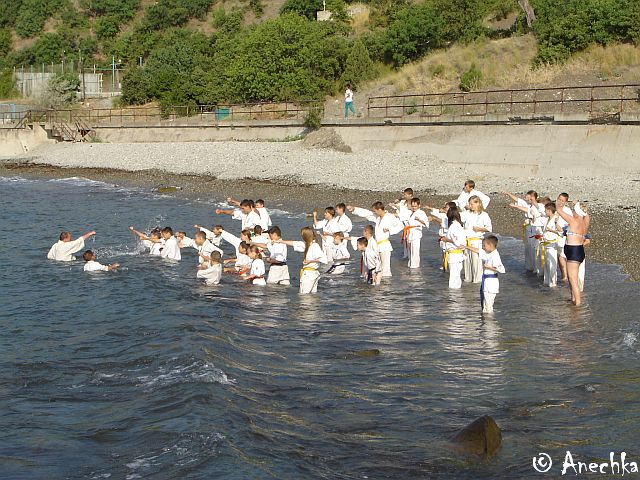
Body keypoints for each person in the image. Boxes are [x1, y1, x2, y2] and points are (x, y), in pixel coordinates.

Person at [349, 202, 403, 277]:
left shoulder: (390, 217)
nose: (374, 212)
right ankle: (379, 282)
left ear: (380, 209)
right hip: (378, 246)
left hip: (385, 246)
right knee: (378, 266)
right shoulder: (377, 217)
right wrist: (355, 209)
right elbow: (367, 213)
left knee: (385, 267)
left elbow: (401, 225)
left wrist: (390, 230)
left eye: (375, 211)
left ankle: (387, 285)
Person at [556, 201, 590, 306]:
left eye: (574, 210)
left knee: (573, 279)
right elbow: (587, 215)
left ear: (578, 212)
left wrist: (559, 203)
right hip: (578, 250)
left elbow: (558, 210)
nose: (573, 212)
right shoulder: (585, 221)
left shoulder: (574, 221)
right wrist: (579, 204)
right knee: (572, 278)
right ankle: (573, 299)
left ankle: (578, 305)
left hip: (573, 251)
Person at [504, 190, 544, 274]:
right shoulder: (528, 204)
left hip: (535, 227)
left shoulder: (539, 206)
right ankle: (529, 266)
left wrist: (516, 207)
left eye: (530, 197)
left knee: (535, 247)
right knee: (528, 247)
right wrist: (508, 193)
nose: (528, 199)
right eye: (527, 197)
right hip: (528, 226)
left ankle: (537, 268)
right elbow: (518, 200)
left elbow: (527, 210)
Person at [278, 227, 327, 294]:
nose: (301, 236)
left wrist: (310, 261)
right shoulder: (307, 244)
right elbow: (294, 243)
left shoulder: (314, 246)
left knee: (304, 295)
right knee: (312, 295)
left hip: (309, 274)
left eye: (302, 235)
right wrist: (281, 241)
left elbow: (323, 258)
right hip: (312, 273)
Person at [465, 235, 505, 313]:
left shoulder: (495, 255)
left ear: (490, 245)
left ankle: (490, 323)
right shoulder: (489, 253)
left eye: (484, 245)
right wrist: (466, 247)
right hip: (486, 282)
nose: (483, 247)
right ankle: (485, 323)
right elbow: (479, 251)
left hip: (492, 282)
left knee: (488, 306)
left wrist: (489, 267)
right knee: (485, 306)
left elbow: (501, 270)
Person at [462, 195, 492, 283]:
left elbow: (489, 228)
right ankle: (468, 280)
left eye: (472, 204)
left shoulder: (484, 215)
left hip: (476, 240)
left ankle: (477, 281)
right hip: (466, 240)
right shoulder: (467, 213)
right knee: (467, 262)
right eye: (469, 204)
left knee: (476, 262)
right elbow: (457, 217)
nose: (470, 206)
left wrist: (479, 229)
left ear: (477, 203)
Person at [425, 201, 457, 271]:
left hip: (448, 237)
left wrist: (434, 219)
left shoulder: (453, 217)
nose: (445, 208)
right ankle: (444, 264)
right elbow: (437, 213)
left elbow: (445, 224)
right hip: (442, 236)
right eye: (445, 207)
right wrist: (429, 209)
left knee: (448, 251)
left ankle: (448, 265)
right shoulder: (444, 215)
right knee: (443, 251)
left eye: (446, 207)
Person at [440, 207, 466, 289]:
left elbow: (457, 242)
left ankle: (453, 297)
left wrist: (445, 239)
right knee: (457, 276)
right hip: (459, 254)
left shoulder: (453, 227)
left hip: (454, 254)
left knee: (453, 277)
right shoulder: (459, 225)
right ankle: (457, 296)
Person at [402, 198, 429, 269]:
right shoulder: (411, 213)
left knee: (415, 252)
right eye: (412, 206)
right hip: (410, 234)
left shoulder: (421, 213)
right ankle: (411, 265)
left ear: (419, 205)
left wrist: (419, 220)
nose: (414, 208)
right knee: (410, 252)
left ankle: (415, 268)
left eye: (415, 206)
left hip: (416, 234)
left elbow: (427, 224)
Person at [389, 188, 414, 258]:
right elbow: (396, 206)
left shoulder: (413, 203)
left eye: (405, 194)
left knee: (410, 242)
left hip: (410, 225)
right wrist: (398, 201)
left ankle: (410, 256)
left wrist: (396, 210)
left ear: (410, 195)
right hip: (404, 224)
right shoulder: (403, 202)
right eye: (404, 194)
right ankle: (406, 255)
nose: (404, 196)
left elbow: (406, 213)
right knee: (406, 241)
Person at [541, 202, 561, 287]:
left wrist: (551, 230)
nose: (545, 212)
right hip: (545, 244)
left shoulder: (556, 219)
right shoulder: (547, 219)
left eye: (546, 210)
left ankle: (553, 283)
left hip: (552, 244)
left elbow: (561, 232)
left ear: (549, 210)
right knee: (547, 264)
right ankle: (546, 282)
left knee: (552, 265)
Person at [555, 193, 572, 282]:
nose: (560, 202)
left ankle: (565, 276)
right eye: (559, 199)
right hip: (554, 233)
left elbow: (570, 222)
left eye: (562, 201)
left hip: (563, 234)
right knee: (559, 256)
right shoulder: (553, 208)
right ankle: (563, 274)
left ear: (565, 202)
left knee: (562, 255)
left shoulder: (567, 210)